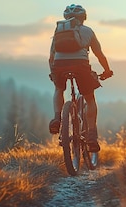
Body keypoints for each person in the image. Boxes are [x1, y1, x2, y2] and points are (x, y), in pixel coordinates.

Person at [48, 4, 113, 152]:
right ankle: (91, 136)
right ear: (83, 18)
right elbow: (99, 54)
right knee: (90, 99)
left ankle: (57, 118)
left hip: (59, 65)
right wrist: (107, 70)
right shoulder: (88, 31)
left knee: (59, 89)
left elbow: (51, 57)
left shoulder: (58, 31)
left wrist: (53, 72)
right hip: (80, 66)